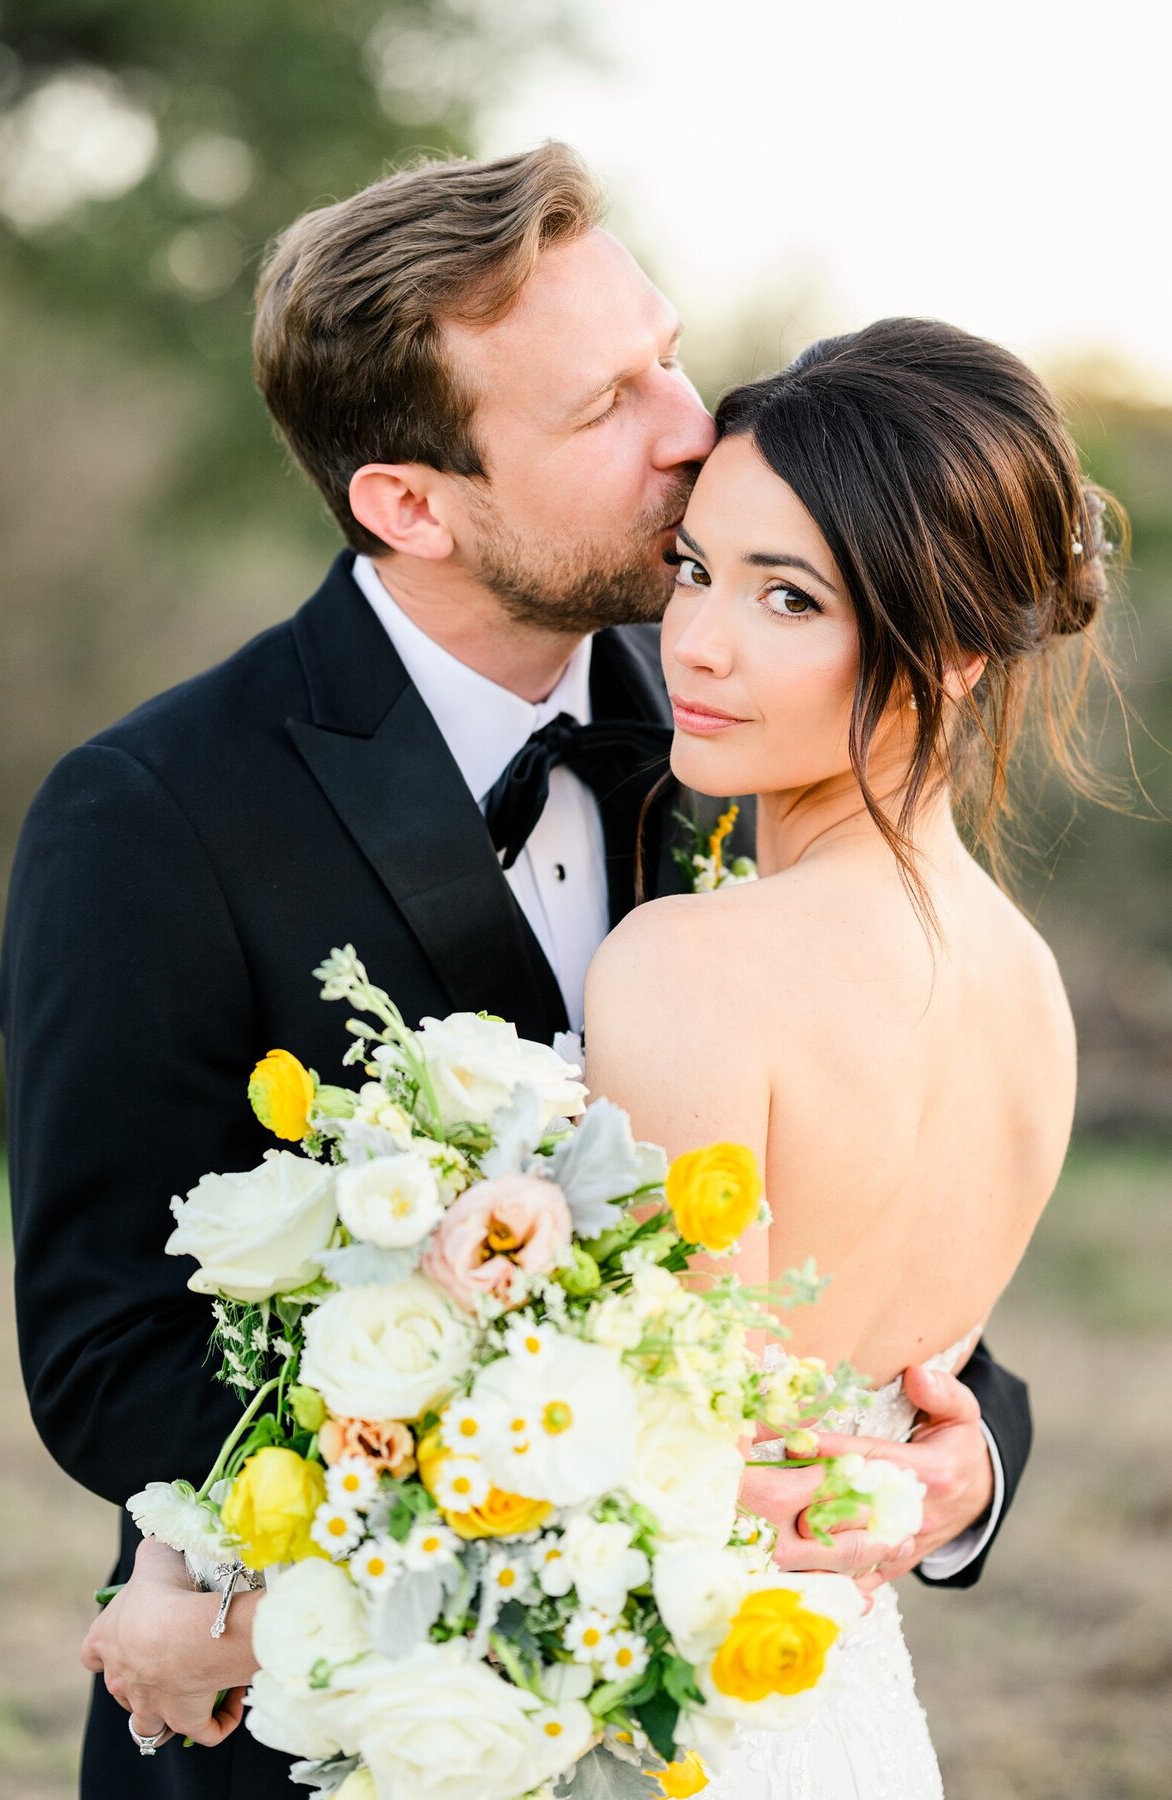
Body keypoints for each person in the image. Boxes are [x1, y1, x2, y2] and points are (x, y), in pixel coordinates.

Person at [0, 147, 1030, 1800]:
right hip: (323, 1746)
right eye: (605, 403)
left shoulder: (748, 714)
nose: (692, 426)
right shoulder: (157, 816)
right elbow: (107, 1357)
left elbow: (842, 1220)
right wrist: (309, 1582)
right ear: (410, 502)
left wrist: (960, 1472)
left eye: (668, 351)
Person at [583, 316, 1121, 1796]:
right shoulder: (1032, 987)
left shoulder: (694, 965)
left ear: (947, 649)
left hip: (664, 1718)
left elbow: (662, 1471)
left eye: (789, 598)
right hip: (845, 1713)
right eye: (696, 567)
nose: (695, 637)